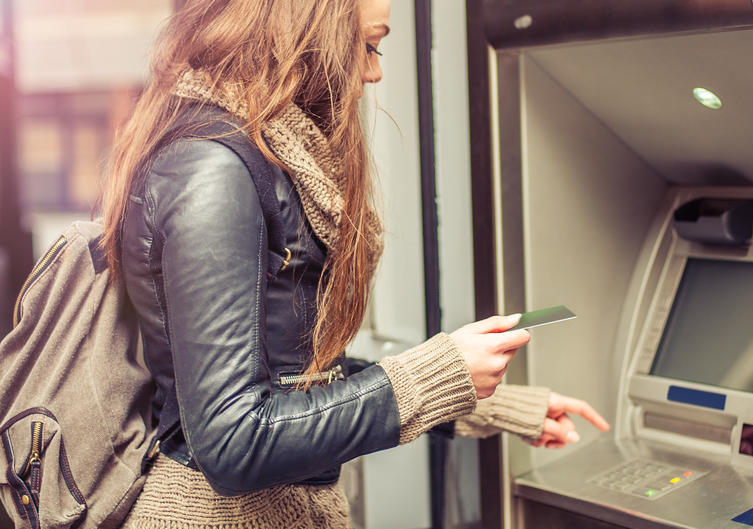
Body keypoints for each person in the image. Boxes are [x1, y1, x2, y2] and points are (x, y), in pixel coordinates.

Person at [100, 0, 609, 527]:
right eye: (369, 45)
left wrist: (489, 403)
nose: (375, 70)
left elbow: (293, 380)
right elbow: (234, 440)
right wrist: (440, 372)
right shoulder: (214, 168)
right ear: (303, 29)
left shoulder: (252, 155)